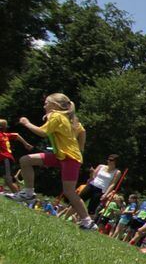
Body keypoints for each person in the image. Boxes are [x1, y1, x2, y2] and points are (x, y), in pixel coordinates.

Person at [5, 93, 96, 229]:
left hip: (70, 158)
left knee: (69, 191)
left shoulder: (57, 116)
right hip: (61, 156)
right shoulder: (68, 118)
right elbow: (82, 130)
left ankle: (88, 222)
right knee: (25, 160)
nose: (44, 105)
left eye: (46, 103)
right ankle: (28, 193)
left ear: (54, 105)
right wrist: (81, 147)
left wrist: (26, 123)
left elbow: (42, 132)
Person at [0, 118, 33, 191]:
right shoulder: (5, 135)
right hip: (5, 159)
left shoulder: (3, 135)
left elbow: (16, 135)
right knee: (7, 180)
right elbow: (17, 135)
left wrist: (26, 144)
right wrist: (26, 144)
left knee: (8, 180)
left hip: (5, 159)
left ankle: (21, 198)